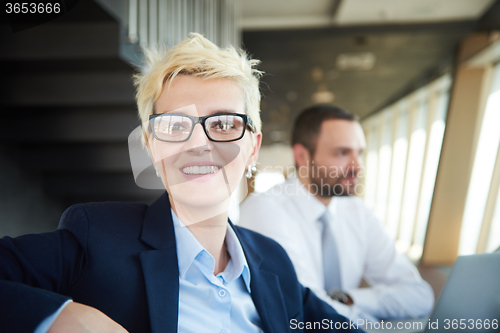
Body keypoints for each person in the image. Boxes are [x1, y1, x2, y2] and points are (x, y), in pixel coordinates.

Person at [0, 35, 364, 332]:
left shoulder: (273, 263)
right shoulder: (95, 238)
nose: (199, 144)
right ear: (150, 147)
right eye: (174, 127)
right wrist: (62, 317)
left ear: (252, 148)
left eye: (223, 124)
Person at [239, 105, 434, 321]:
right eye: (342, 153)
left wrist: (347, 298)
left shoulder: (358, 212)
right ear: (303, 157)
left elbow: (419, 296)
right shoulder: (265, 210)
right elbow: (309, 309)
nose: (357, 166)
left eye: (359, 153)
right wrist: (370, 320)